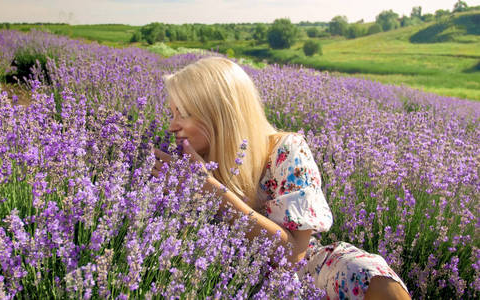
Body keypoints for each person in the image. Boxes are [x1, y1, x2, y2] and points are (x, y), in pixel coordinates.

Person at [152, 57, 411, 300]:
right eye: (172, 114)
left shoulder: (286, 150)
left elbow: (293, 255)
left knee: (367, 275)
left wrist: (211, 190)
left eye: (183, 114)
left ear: (218, 114)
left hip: (297, 275)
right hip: (220, 276)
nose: (172, 126)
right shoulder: (185, 160)